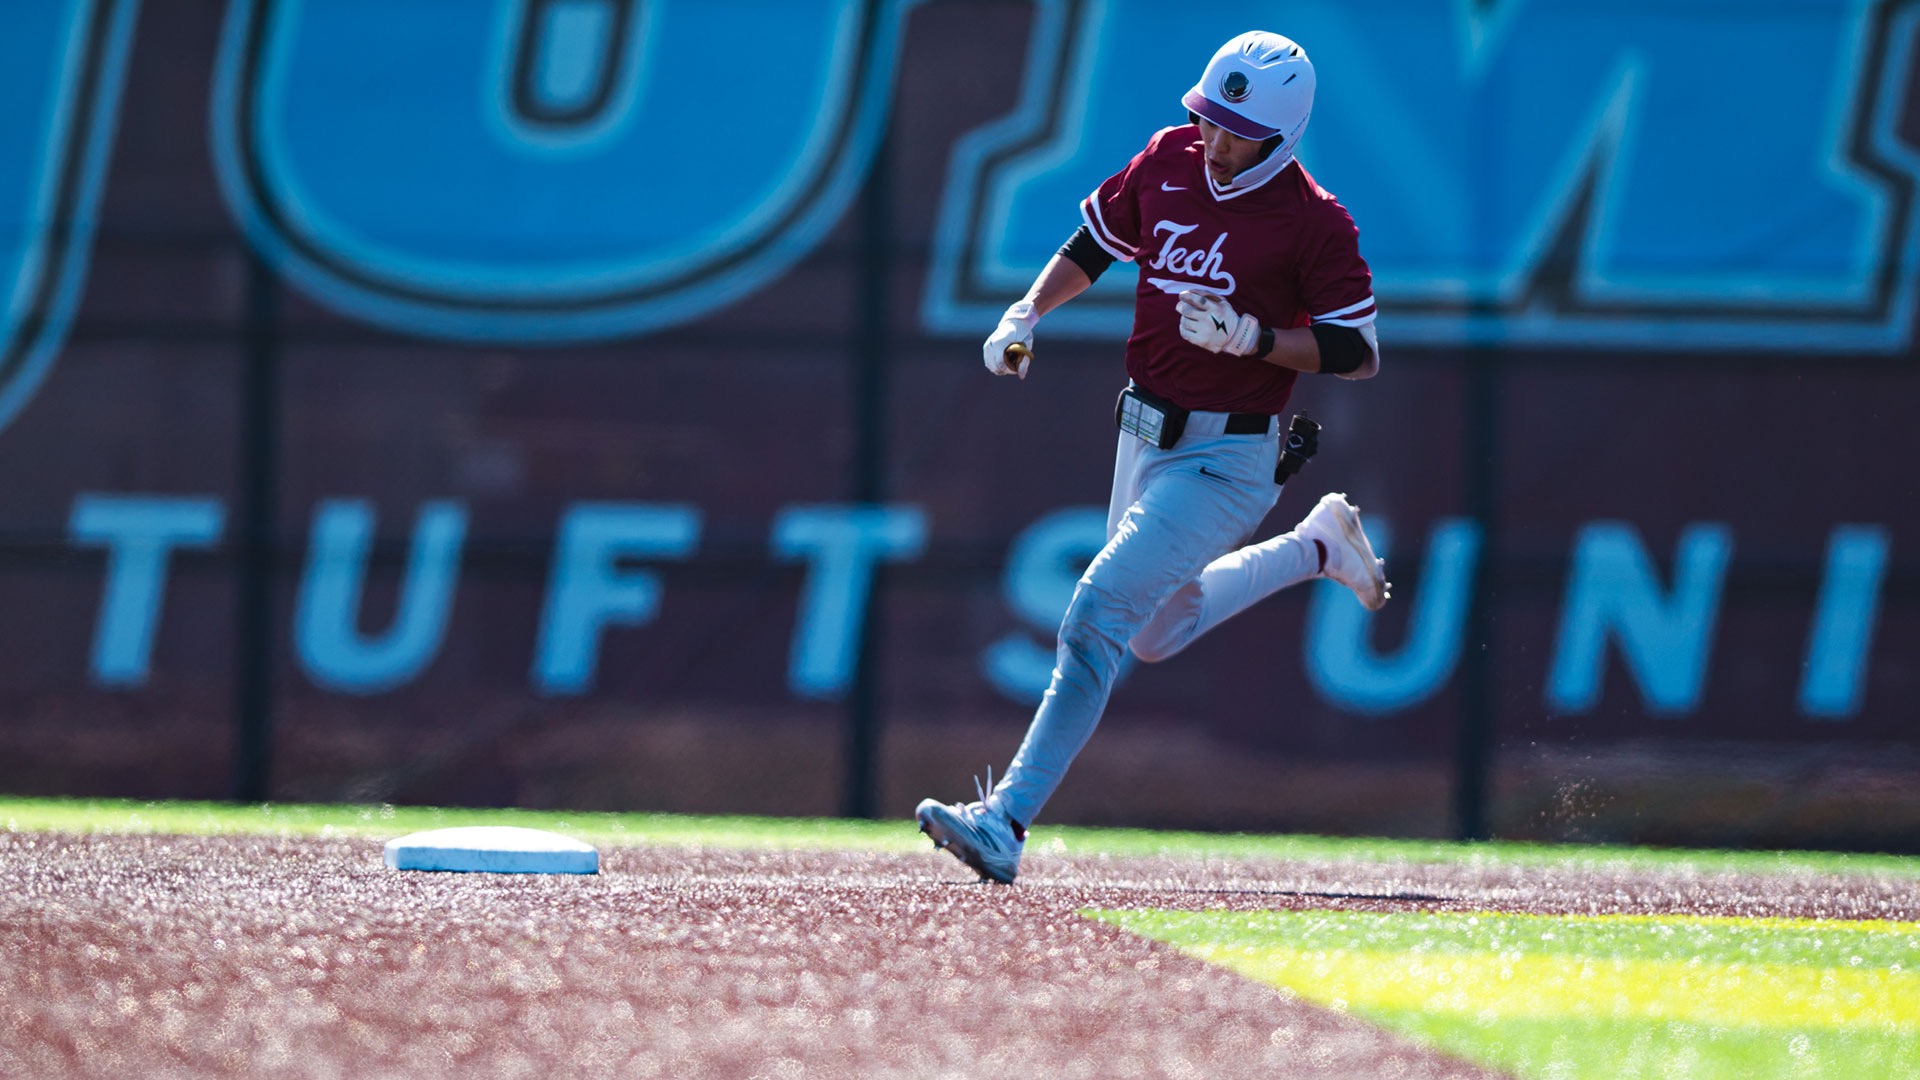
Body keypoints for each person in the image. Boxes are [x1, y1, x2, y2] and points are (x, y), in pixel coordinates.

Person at [915, 30, 1390, 884]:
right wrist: (1026, 313)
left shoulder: (1313, 221)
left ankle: (1004, 821)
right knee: (1157, 633)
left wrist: (1255, 339)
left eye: (1233, 129)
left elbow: (1356, 350)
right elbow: (1097, 240)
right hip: (1142, 437)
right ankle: (1320, 546)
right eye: (1208, 117)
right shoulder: (1172, 156)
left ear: (1281, 138)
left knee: (1098, 613)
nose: (1211, 139)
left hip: (1230, 456)